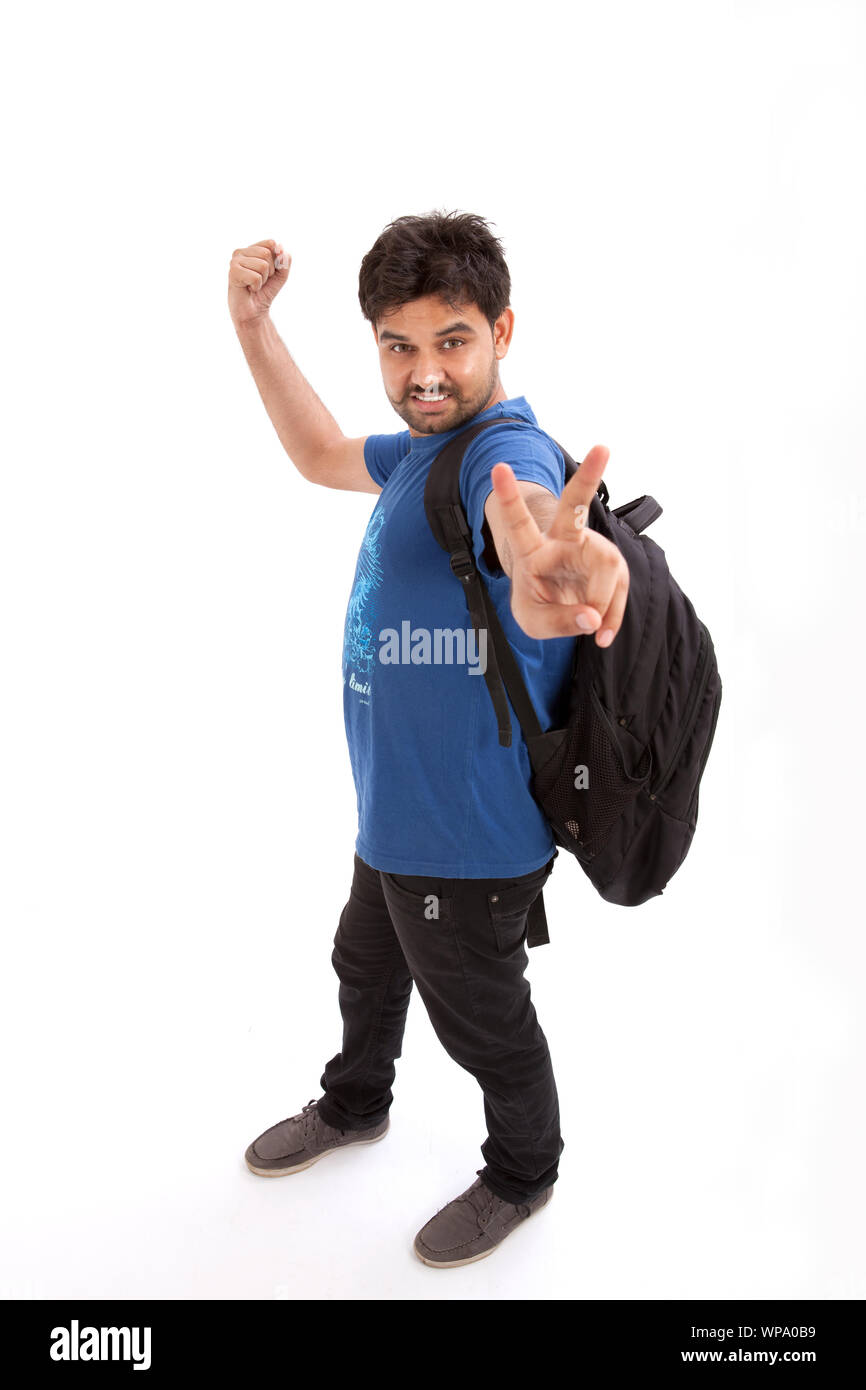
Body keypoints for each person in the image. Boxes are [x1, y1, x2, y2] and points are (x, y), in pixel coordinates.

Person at [227, 211, 629, 1269]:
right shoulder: (424, 448)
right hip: (396, 816)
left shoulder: (497, 453)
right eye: (397, 345)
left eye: (450, 339)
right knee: (362, 959)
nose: (424, 371)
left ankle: (522, 1170)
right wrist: (253, 326)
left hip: (466, 830)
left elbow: (527, 521)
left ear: (501, 328)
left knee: (484, 1023)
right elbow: (318, 453)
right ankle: (355, 1103)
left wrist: (552, 568)